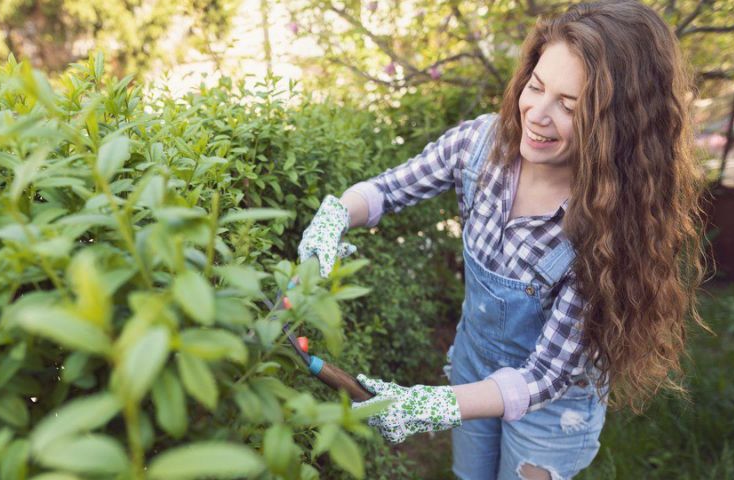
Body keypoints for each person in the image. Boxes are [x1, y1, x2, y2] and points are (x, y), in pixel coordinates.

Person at [296, 1, 708, 478]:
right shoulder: (478, 149)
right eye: (536, 86)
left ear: (616, 131)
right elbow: (386, 190)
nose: (538, 113)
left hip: (550, 409)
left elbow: (545, 376)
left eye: (570, 106)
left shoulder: (606, 230)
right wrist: (335, 215)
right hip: (473, 365)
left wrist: (430, 404)